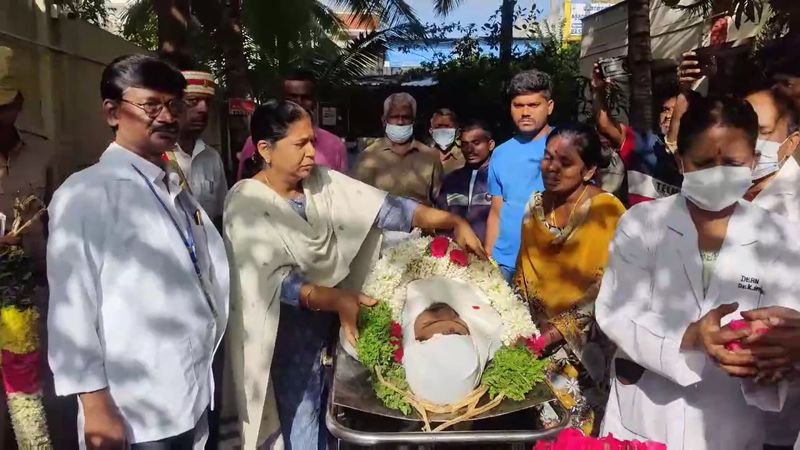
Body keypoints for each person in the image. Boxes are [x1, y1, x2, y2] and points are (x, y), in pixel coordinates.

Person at [223, 99, 484, 449]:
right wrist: (334, 298)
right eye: (300, 144)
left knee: (338, 422)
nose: (312, 153)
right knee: (299, 422)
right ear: (266, 150)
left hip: (339, 326)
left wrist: (453, 221)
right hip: (284, 339)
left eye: (312, 141)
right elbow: (270, 281)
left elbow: (390, 210)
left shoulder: (323, 184)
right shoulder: (245, 204)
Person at [596, 96, 800, 450]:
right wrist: (690, 337)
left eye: (733, 163)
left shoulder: (781, 236)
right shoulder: (643, 223)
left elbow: (787, 323)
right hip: (647, 415)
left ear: (753, 160)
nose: (719, 173)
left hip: (733, 421)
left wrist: (773, 352)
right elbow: (616, 312)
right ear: (680, 161)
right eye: (705, 163)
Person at [47, 55, 229, 450]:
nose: (168, 117)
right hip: (135, 411)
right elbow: (71, 310)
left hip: (189, 391)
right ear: (112, 112)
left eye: (174, 105)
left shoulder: (167, 183)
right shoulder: (86, 193)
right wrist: (95, 407)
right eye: (151, 106)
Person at [514, 123, 625, 434]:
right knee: (540, 430)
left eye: (565, 163)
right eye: (548, 158)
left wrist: (553, 333)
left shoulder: (607, 211)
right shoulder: (534, 206)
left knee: (576, 433)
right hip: (534, 340)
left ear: (588, 170)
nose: (552, 168)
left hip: (584, 348)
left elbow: (608, 287)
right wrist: (516, 323)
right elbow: (524, 273)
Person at [485, 69, 553, 283]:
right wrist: (488, 255)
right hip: (503, 263)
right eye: (518, 105)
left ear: (549, 107)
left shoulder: (565, 147)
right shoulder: (500, 153)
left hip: (547, 264)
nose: (525, 112)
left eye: (533, 105)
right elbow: (496, 210)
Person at [591, 61, 682, 206]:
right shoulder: (644, 143)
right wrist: (598, 90)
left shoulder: (701, 156)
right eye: (665, 110)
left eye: (675, 111)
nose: (668, 116)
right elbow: (605, 125)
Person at [236, 69, 347, 179]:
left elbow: (341, 191)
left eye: (306, 98)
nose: (298, 103)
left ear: (314, 101)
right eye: (292, 97)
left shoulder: (334, 145)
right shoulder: (256, 141)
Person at [0, 46, 52, 254]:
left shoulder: (43, 152)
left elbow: (56, 218)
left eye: (2, 108)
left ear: (18, 103)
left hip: (37, 280)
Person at [161, 69, 227, 223]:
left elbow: (220, 214)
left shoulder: (212, 157)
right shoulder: (155, 156)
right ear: (172, 105)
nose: (203, 109)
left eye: (207, 102)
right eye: (192, 101)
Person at [352, 92, 442, 206]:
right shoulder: (368, 156)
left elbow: (440, 202)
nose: (400, 122)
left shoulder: (430, 156)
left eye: (406, 117)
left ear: (413, 121)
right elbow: (357, 201)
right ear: (384, 121)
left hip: (421, 223)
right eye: (394, 117)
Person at [434, 119, 495, 243]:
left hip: (491, 255)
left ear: (490, 145)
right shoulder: (451, 179)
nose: (469, 149)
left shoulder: (501, 178)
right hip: (454, 254)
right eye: (465, 144)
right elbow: (441, 219)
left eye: (476, 143)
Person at [429, 108, 465, 174]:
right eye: (438, 126)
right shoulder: (423, 154)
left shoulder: (465, 155)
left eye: (447, 126)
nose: (443, 130)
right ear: (431, 131)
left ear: (457, 132)